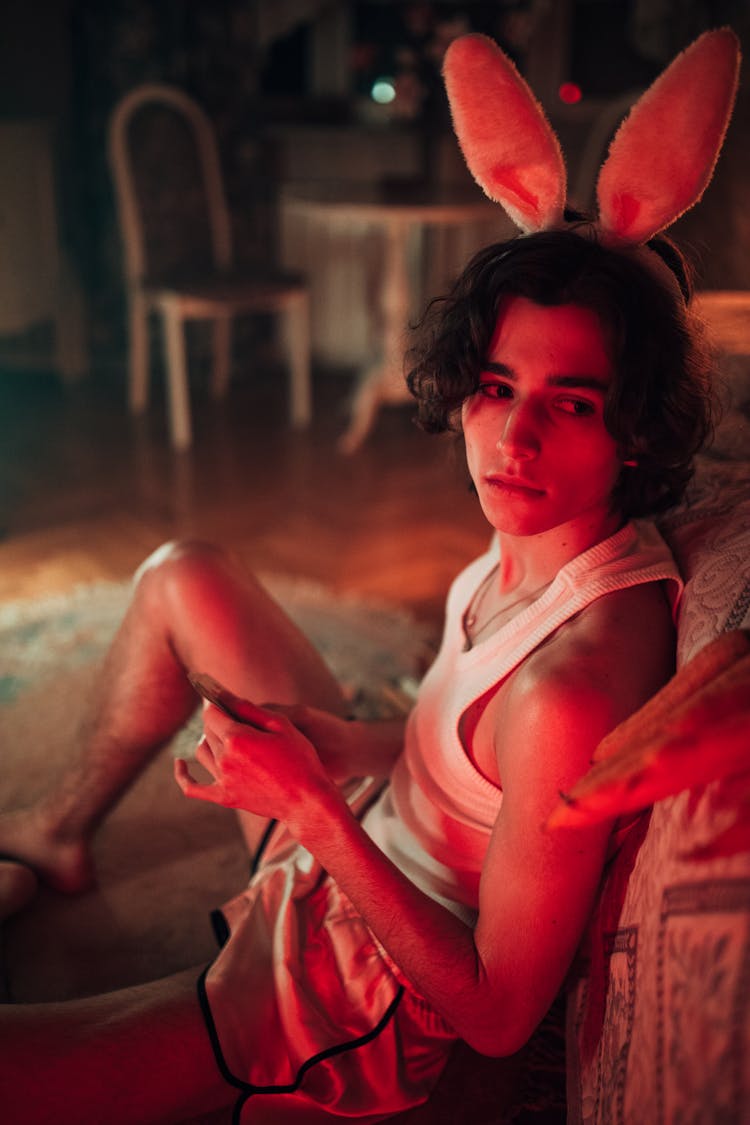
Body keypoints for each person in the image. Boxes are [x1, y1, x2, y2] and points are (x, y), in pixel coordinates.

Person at [0, 221, 713, 1124]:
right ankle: (57, 828)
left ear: (636, 429)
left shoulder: (566, 687)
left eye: (570, 403)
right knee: (185, 573)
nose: (514, 438)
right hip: (366, 824)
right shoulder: (547, 544)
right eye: (497, 387)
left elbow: (494, 1014)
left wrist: (310, 808)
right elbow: (479, 763)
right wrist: (345, 744)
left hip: (373, 990)